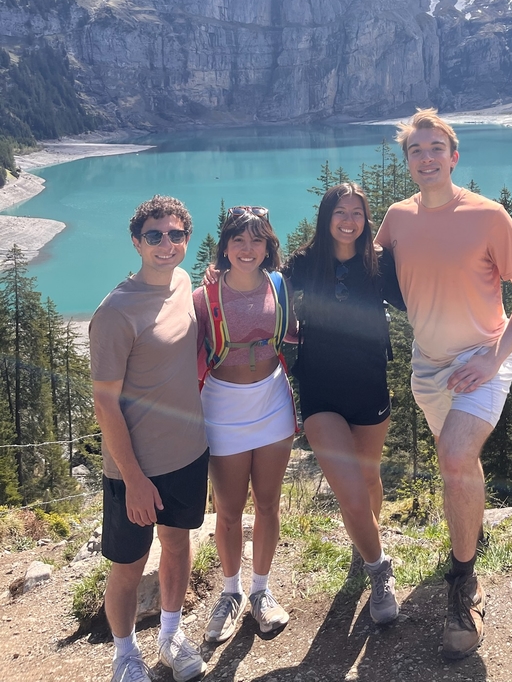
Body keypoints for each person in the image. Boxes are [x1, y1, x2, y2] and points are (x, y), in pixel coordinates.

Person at [376, 109, 512, 661]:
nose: (425, 159)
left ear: (453, 156)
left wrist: (496, 357)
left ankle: (464, 586)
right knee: (458, 463)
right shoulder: (396, 219)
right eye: (415, 151)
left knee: (453, 457)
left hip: (482, 360)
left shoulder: (488, 216)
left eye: (434, 149)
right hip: (429, 367)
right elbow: (356, 266)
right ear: (407, 162)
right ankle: (470, 537)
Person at [89, 195, 208, 682]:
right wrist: (133, 478)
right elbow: (104, 404)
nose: (166, 244)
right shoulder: (115, 313)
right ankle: (124, 655)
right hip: (135, 468)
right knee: (128, 564)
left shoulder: (183, 283)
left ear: (185, 240)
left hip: (187, 453)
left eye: (176, 234)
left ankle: (170, 636)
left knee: (177, 546)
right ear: (137, 242)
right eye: (155, 235)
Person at [283, 183, 405, 625]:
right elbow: (258, 286)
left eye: (357, 212)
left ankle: (365, 545)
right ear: (326, 217)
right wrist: (217, 277)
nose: (349, 220)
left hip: (370, 385)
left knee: (368, 478)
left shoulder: (379, 263)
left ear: (366, 218)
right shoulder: (303, 262)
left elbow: (419, 296)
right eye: (340, 212)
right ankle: (380, 568)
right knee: (350, 489)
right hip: (320, 391)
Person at [195, 206, 296, 644]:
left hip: (272, 400)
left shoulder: (280, 285)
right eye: (239, 239)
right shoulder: (205, 296)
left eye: (257, 240)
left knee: (269, 504)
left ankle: (261, 590)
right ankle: (231, 591)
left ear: (268, 245)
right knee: (230, 509)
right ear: (225, 246)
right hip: (223, 405)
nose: (248, 248)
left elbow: (294, 334)